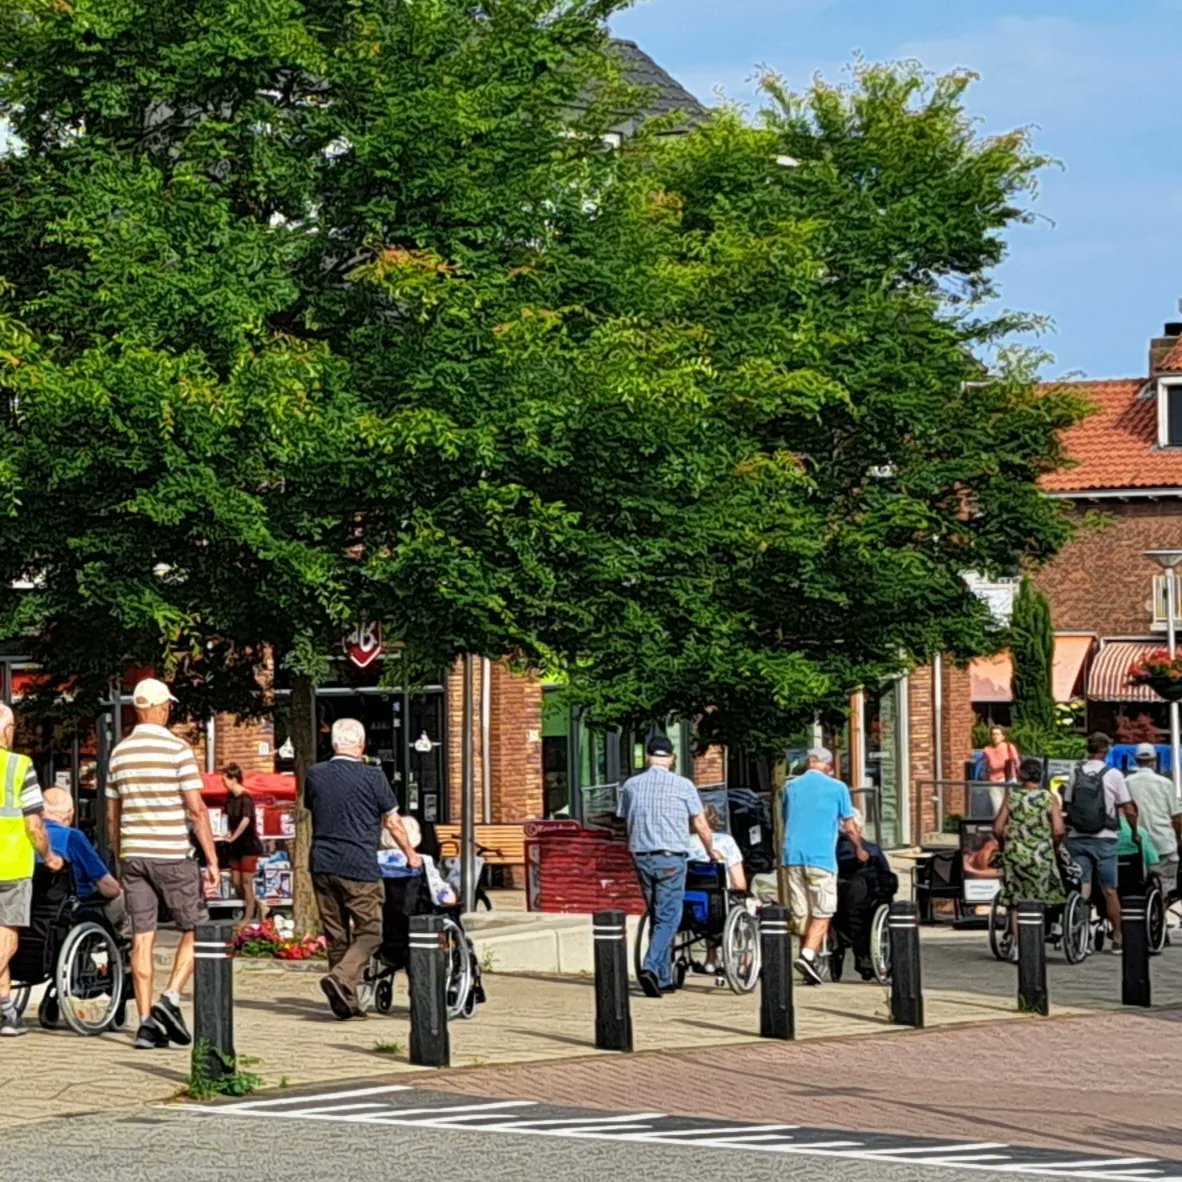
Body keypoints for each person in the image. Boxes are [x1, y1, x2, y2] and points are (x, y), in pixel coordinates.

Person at [106, 678, 219, 1050]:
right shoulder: (177, 749)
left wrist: (120, 853)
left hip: (133, 855)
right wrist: (213, 859)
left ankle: (144, 1023)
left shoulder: (119, 753)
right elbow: (196, 808)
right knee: (197, 928)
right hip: (172, 854)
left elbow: (112, 814)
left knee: (142, 937)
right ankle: (169, 998)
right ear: (163, 708)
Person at [305, 718, 421, 1020]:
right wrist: (410, 853)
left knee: (336, 934)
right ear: (362, 744)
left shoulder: (315, 774)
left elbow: (315, 809)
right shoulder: (373, 777)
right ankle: (342, 977)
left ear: (333, 745)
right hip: (358, 865)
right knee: (371, 931)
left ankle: (347, 1001)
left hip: (321, 863)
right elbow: (392, 822)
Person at [616, 735, 723, 999]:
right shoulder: (684, 785)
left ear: (648, 757)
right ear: (672, 758)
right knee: (670, 917)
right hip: (672, 858)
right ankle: (651, 967)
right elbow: (700, 823)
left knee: (656, 915)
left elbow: (624, 820)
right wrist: (712, 850)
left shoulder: (631, 785)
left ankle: (663, 979)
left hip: (641, 856)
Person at [0, 702, 62, 1036]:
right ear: (7, 731)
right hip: (9, 866)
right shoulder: (19, 766)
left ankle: (8, 1012)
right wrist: (49, 856)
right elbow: (34, 825)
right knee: (7, 942)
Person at [782, 746, 866, 986]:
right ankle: (808, 954)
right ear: (828, 766)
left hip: (792, 857)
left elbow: (787, 819)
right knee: (824, 911)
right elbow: (849, 826)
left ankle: (808, 958)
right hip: (821, 858)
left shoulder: (790, 787)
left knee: (801, 912)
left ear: (809, 762)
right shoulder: (838, 788)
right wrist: (859, 848)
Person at [1062, 732, 1136, 953]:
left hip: (1077, 838)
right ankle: (1118, 937)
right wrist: (1135, 832)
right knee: (1110, 890)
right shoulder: (1114, 774)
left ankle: (1081, 936)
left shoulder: (1075, 772)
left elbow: (1067, 805)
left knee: (1082, 887)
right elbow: (1128, 808)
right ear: (1105, 750)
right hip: (1104, 839)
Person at [992, 757, 1066, 961]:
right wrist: (1054, 846)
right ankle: (1036, 943)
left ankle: (1019, 947)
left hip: (1015, 854)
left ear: (1022, 776)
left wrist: (1004, 843)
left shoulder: (1012, 797)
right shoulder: (1048, 798)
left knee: (1016, 903)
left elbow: (997, 827)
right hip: (1041, 855)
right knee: (1040, 900)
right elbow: (1059, 830)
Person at [41, 787, 127, 935]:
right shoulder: (73, 837)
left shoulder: (25, 835)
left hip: (33, 906)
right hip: (73, 906)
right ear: (70, 813)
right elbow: (107, 887)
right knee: (121, 896)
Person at [836, 809, 897, 980]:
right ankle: (870, 957)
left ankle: (862, 957)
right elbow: (887, 875)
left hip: (846, 903)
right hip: (870, 900)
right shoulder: (872, 849)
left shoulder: (833, 850)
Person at [1125, 743, 1181, 899]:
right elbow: (1176, 816)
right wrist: (1178, 838)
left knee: (1139, 886)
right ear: (1154, 761)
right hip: (1163, 842)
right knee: (1166, 886)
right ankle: (1161, 913)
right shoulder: (1166, 783)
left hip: (1137, 843)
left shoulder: (1127, 782)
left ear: (1136, 760)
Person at [216, 764, 263, 926]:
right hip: (235, 846)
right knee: (235, 882)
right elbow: (226, 818)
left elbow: (246, 819)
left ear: (233, 779)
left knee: (246, 881)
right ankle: (261, 906)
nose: (223, 783)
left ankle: (248, 917)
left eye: (225, 780)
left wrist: (233, 836)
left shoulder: (246, 798)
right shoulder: (230, 799)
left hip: (248, 845)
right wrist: (225, 833)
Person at [687, 803, 746, 891]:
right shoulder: (726, 841)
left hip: (689, 898)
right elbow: (739, 885)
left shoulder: (681, 844)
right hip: (719, 898)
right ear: (715, 820)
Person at [981, 725, 1021, 815]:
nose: (995, 736)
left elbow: (1017, 763)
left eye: (997, 734)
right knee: (997, 809)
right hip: (994, 782)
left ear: (1003, 736)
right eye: (993, 734)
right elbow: (986, 766)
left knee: (1010, 808)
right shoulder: (987, 750)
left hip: (1008, 780)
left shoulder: (1009, 747)